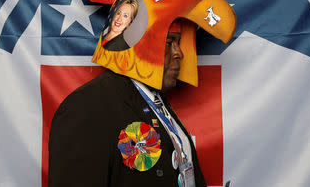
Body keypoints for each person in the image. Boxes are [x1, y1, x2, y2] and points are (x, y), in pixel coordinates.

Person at [48, 20, 207, 187]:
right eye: (169, 42)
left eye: (178, 42)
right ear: (138, 43)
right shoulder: (85, 107)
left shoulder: (155, 100)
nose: (179, 53)